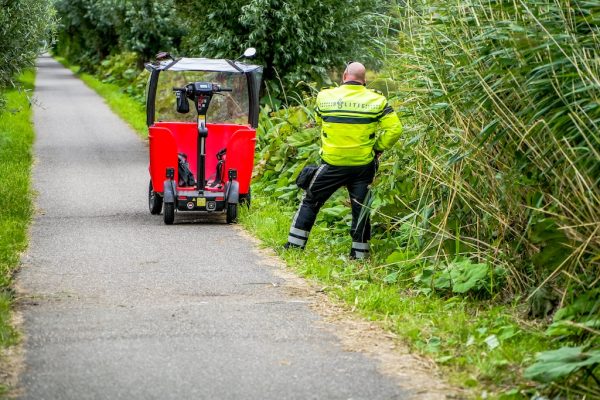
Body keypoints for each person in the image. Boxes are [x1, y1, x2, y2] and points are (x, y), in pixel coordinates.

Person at [284, 62, 403, 259]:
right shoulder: (377, 100)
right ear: (365, 80)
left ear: (344, 75)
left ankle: (295, 247)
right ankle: (359, 255)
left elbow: (320, 121)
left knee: (311, 200)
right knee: (361, 209)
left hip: (332, 163)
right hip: (363, 165)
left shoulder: (325, 97)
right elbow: (395, 129)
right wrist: (378, 147)